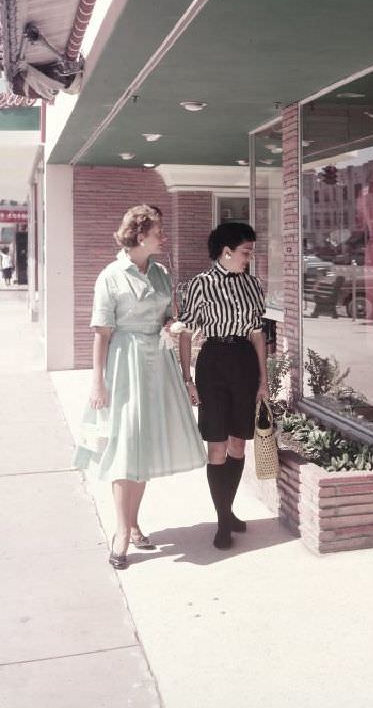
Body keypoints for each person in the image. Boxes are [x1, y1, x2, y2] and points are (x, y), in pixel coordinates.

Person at [74, 205, 206, 569]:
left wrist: (174, 335)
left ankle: (133, 523)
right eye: (159, 231)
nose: (164, 236)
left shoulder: (162, 273)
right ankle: (120, 530)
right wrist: (97, 382)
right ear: (140, 234)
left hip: (157, 364)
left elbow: (170, 318)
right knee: (124, 446)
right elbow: (101, 334)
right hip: (124, 363)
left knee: (143, 447)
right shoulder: (111, 276)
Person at [177, 222, 267, 550]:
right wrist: (187, 378)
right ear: (227, 251)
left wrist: (264, 381)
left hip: (243, 361)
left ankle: (228, 511)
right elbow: (185, 331)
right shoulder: (200, 284)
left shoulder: (253, 285)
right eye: (246, 252)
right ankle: (222, 519)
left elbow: (258, 333)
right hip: (212, 362)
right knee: (216, 446)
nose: (249, 258)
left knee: (238, 445)